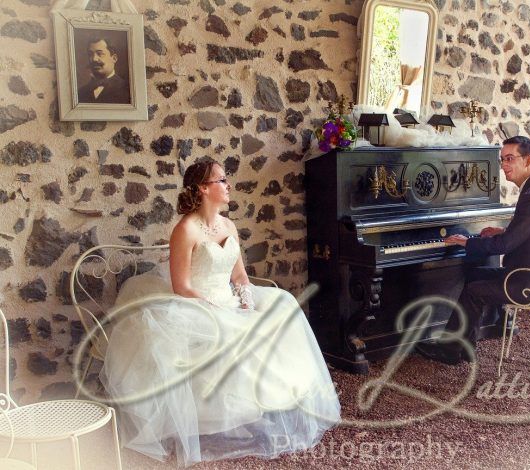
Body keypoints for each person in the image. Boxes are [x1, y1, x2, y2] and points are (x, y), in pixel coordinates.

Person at [100, 160, 341, 467]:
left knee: (282, 308)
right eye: (222, 180)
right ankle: (216, 422)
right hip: (195, 303)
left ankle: (259, 410)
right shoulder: (185, 230)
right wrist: (216, 309)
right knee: (225, 334)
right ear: (203, 188)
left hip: (229, 299)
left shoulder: (228, 226)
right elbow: (182, 286)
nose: (228, 186)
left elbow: (240, 276)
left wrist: (245, 302)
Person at [423, 136, 530, 364]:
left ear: (528, 160)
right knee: (474, 275)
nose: (503, 166)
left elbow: (505, 246)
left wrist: (465, 242)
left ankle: (450, 350)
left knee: (474, 290)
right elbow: (526, 232)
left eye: (510, 159)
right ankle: (465, 346)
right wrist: (501, 230)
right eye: (502, 160)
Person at [77, 35, 130, 104]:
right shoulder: (81, 92)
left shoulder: (127, 89)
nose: (94, 59)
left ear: (114, 58)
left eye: (100, 54)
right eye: (90, 54)